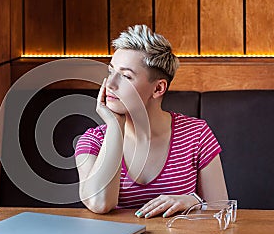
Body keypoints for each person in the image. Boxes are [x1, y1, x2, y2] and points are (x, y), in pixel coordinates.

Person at [74, 25, 228, 218]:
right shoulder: (93, 141)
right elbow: (101, 203)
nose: (111, 84)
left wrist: (194, 202)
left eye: (125, 76)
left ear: (158, 89)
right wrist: (115, 126)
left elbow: (222, 209)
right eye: (110, 72)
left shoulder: (197, 134)